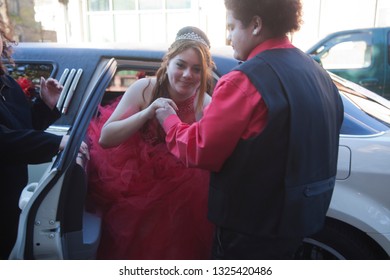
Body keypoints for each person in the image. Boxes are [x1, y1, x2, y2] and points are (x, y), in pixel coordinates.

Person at [156, 0, 344, 260]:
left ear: (255, 25)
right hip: (300, 219)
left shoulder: (244, 80)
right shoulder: (317, 72)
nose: (228, 36)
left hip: (250, 228)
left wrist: (169, 120)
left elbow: (199, 149)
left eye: (231, 27)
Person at [87, 26, 215, 259]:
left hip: (182, 197)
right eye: (181, 65)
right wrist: (147, 113)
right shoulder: (145, 89)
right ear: (168, 63)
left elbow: (207, 152)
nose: (188, 74)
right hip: (134, 184)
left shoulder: (204, 104)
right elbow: (106, 138)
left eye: (197, 69)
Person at [0, 19, 88, 259]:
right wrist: (56, 142)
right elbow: (5, 141)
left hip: (10, 198)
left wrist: (46, 105)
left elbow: (24, 127)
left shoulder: (7, 83)